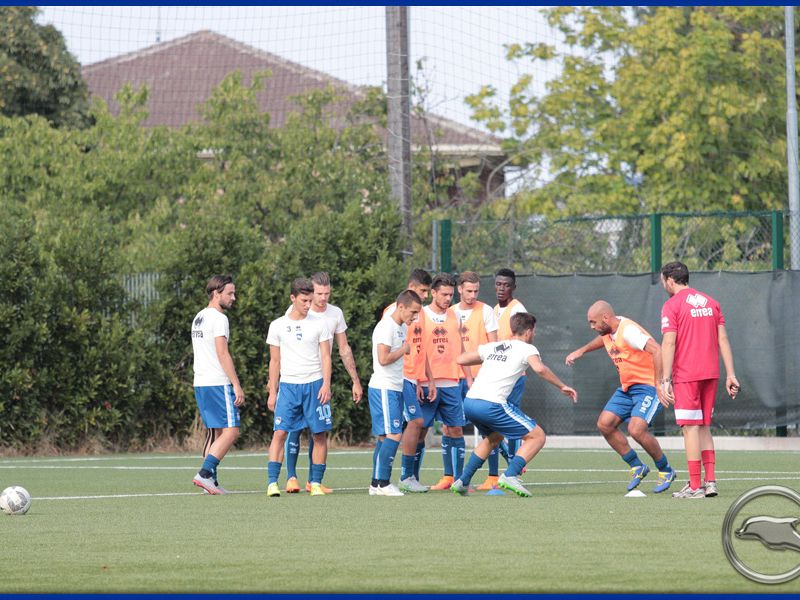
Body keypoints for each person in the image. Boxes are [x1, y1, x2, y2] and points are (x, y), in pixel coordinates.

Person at [451, 312, 577, 497]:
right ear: (528, 331)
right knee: (537, 436)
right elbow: (540, 369)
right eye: (533, 331)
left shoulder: (495, 347)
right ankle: (511, 475)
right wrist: (562, 386)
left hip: (470, 403)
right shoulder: (527, 349)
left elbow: (460, 359)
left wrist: (489, 357)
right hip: (491, 404)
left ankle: (463, 481)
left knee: (494, 438)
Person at [565, 300, 676, 493]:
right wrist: (581, 351)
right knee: (604, 424)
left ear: (606, 318)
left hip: (648, 387)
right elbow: (604, 339)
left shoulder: (629, 332)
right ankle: (637, 466)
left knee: (636, 429)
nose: (592, 327)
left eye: (593, 322)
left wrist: (660, 383)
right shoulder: (609, 330)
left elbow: (657, 350)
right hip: (628, 387)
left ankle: (665, 470)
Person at [659, 262, 739, 499]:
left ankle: (695, 486)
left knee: (690, 428)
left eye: (663, 280)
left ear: (670, 280)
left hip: (687, 374)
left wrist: (665, 379)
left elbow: (669, 343)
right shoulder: (711, 302)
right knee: (703, 426)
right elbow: (723, 340)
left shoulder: (671, 305)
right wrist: (731, 374)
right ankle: (710, 482)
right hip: (711, 373)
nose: (663, 284)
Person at [283, 272, 362, 495]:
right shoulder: (293, 313)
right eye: (319, 293)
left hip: (320, 381)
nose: (323, 298)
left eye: (327, 293)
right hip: (297, 381)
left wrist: (355, 380)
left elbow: (344, 349)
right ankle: (291, 477)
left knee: (319, 431)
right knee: (295, 429)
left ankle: (314, 481)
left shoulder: (335, 313)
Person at [266, 278, 333, 498]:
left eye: (310, 300)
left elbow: (325, 355)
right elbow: (274, 361)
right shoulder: (277, 325)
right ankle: (272, 483)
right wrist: (273, 391)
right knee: (280, 433)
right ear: (292, 298)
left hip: (314, 386)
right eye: (304, 300)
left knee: (319, 435)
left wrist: (326, 383)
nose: (308, 304)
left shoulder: (319, 323)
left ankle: (315, 483)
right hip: (288, 387)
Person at [190, 275, 246, 495]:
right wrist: (236, 385)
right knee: (232, 431)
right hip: (216, 382)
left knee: (215, 433)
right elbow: (222, 353)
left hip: (200, 382)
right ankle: (205, 474)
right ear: (216, 293)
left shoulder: (199, 317)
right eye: (230, 293)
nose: (234, 297)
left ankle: (209, 482)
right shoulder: (219, 318)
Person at [419, 273, 472, 491]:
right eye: (443, 294)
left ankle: (456, 479)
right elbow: (416, 351)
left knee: (455, 429)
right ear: (433, 293)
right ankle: (411, 478)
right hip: (425, 383)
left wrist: (468, 378)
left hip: (451, 382)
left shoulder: (454, 316)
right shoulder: (420, 315)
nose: (447, 298)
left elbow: (461, 349)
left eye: (450, 295)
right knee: (420, 430)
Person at [368, 290, 423, 496]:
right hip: (384, 387)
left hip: (394, 386)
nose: (415, 316)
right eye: (413, 312)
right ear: (401, 307)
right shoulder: (386, 327)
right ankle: (383, 483)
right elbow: (383, 359)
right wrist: (404, 350)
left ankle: (376, 483)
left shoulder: (401, 328)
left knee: (385, 436)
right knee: (394, 434)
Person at [384, 269, 435, 493]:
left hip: (414, 378)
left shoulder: (420, 313)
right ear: (412, 287)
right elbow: (387, 348)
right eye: (423, 291)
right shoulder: (393, 312)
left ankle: (398, 476)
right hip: (399, 377)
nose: (426, 296)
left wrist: (428, 379)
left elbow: (421, 349)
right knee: (414, 422)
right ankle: (403, 476)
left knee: (412, 424)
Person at [453, 271, 500, 490]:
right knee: (451, 427)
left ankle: (493, 476)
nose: (472, 295)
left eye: (476, 291)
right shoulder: (451, 312)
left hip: (482, 379)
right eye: (468, 290)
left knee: (489, 428)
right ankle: (453, 477)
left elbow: (494, 345)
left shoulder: (486, 311)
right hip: (455, 376)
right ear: (459, 289)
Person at [493, 268, 528, 461]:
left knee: (511, 418)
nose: (501, 288)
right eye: (499, 284)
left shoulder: (517, 309)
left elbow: (521, 342)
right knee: (495, 420)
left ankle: (515, 465)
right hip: (499, 375)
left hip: (513, 376)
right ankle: (511, 461)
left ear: (514, 287)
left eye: (506, 285)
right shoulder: (496, 310)